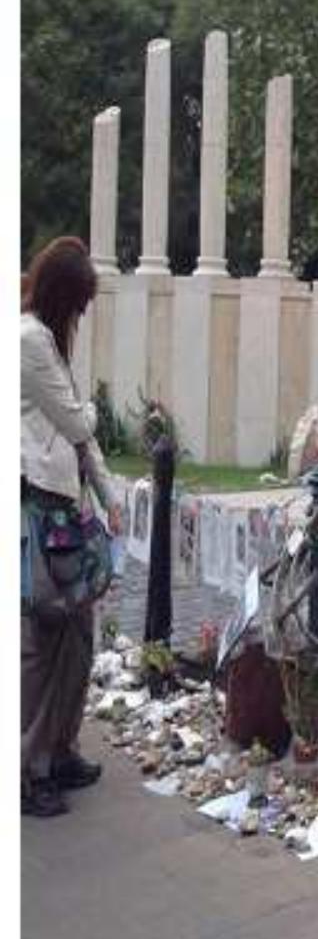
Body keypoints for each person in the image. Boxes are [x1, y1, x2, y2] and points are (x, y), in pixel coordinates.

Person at [20, 236, 121, 818]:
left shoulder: (50, 345)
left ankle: (60, 749)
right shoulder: (29, 341)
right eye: (79, 303)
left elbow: (83, 439)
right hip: (35, 506)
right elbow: (76, 420)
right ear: (62, 295)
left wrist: (108, 496)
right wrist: (84, 414)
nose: (82, 314)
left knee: (78, 635)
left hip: (64, 506)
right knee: (43, 640)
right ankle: (27, 767)